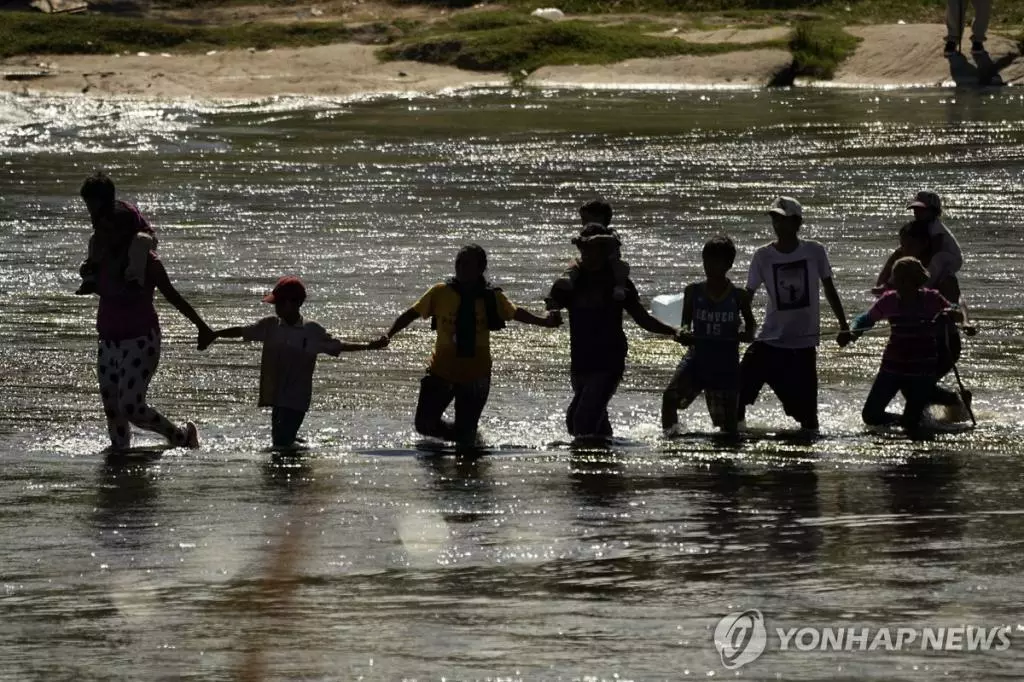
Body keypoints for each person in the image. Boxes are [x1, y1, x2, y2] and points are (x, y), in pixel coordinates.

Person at [382, 244, 560, 446]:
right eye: (459, 262)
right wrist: (388, 335)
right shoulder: (440, 292)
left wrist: (544, 321)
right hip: (441, 371)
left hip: (476, 376)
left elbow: (516, 312)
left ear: (480, 268)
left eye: (467, 264)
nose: (461, 267)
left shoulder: (492, 297)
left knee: (465, 438)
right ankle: (465, 440)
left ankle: (467, 444)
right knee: (424, 425)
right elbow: (411, 314)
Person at [200, 276, 386, 449]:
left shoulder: (311, 331)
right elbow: (241, 331)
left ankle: (297, 463)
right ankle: (302, 449)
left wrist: (369, 346)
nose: (276, 307)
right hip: (277, 397)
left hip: (297, 398)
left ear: (297, 303)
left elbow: (339, 346)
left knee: (281, 444)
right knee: (279, 441)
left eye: (281, 303)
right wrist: (214, 334)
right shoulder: (270, 326)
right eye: (276, 303)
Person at [546, 223, 680, 439]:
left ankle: (588, 468)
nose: (590, 255)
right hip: (580, 360)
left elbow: (642, 318)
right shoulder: (571, 282)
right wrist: (552, 313)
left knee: (582, 420)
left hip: (609, 360)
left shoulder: (619, 282)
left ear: (606, 251)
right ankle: (609, 460)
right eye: (586, 249)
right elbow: (553, 306)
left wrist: (673, 331)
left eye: (597, 249)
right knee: (578, 422)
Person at [92, 214, 209, 452]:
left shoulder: (149, 263)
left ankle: (181, 437)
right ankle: (120, 457)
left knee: (131, 406)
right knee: (113, 409)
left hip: (141, 340)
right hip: (108, 341)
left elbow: (173, 296)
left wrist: (201, 326)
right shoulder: (102, 258)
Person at [739, 196, 852, 435]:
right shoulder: (763, 256)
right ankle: (735, 434)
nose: (777, 225)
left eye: (782, 220)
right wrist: (744, 325)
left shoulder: (815, 251)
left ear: (797, 223)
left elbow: (830, 289)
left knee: (807, 418)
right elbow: (747, 295)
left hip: (803, 343)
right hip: (770, 340)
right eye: (774, 220)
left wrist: (844, 325)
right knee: (739, 390)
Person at [850, 257, 963, 435]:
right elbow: (865, 319)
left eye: (904, 280)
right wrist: (854, 331)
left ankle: (950, 402)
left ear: (917, 281)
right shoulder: (889, 300)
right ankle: (914, 417)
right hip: (892, 367)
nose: (899, 285)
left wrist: (955, 314)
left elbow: (954, 309)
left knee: (911, 425)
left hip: (922, 368)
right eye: (897, 280)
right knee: (871, 415)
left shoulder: (931, 299)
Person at [873, 219, 972, 421]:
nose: (904, 249)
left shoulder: (940, 270)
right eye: (901, 244)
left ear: (924, 244)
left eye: (909, 245)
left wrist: (965, 322)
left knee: (914, 388)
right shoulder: (902, 268)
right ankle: (931, 417)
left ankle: (951, 403)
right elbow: (881, 287)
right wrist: (894, 257)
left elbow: (958, 301)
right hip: (911, 343)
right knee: (911, 388)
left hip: (942, 343)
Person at [662, 236, 756, 437]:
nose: (710, 267)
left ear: (728, 265)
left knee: (728, 427)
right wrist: (683, 332)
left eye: (716, 262)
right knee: (670, 398)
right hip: (697, 358)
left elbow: (751, 326)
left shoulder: (738, 296)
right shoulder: (693, 291)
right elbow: (686, 324)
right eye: (707, 261)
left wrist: (746, 335)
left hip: (726, 363)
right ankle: (671, 441)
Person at [77, 172, 158, 295]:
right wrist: (94, 260)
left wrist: (118, 255)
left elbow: (131, 233)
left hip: (142, 240)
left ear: (105, 200)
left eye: (92, 203)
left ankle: (134, 278)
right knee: (94, 240)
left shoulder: (124, 212)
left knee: (140, 241)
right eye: (88, 203)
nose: (90, 208)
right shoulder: (98, 215)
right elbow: (101, 236)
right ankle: (90, 278)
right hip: (116, 241)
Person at [875, 191, 963, 294]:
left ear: (933, 211)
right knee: (898, 253)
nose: (916, 212)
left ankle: (924, 286)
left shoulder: (936, 227)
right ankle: (889, 284)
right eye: (915, 210)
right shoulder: (918, 225)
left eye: (921, 210)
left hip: (950, 258)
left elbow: (935, 249)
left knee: (937, 259)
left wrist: (919, 262)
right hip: (929, 251)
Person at [553, 198, 631, 302]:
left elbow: (616, 241)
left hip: (611, 262)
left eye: (585, 219)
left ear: (601, 218)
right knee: (573, 263)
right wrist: (578, 240)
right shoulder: (585, 232)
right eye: (582, 219)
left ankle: (619, 287)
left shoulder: (610, 232)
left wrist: (597, 239)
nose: (583, 222)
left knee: (622, 267)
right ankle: (567, 279)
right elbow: (578, 240)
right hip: (588, 263)